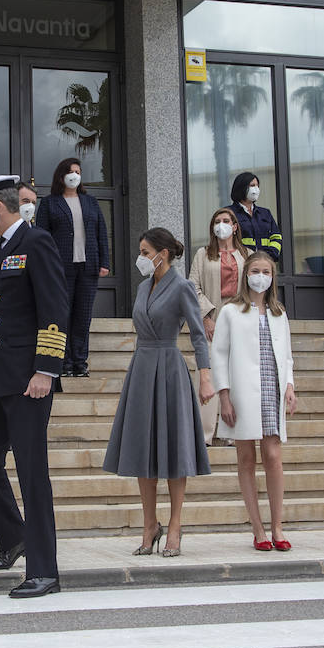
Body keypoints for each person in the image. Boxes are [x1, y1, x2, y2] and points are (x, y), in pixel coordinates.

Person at [0, 174, 67, 599]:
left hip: (28, 379)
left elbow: (54, 307)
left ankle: (45, 571)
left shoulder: (36, 242)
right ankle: (14, 538)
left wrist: (46, 369)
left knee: (31, 471)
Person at [103, 228, 211, 558]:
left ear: (162, 254)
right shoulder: (141, 286)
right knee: (142, 452)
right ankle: (150, 525)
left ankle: (175, 526)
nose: (141, 257)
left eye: (146, 251)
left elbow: (197, 334)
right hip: (141, 367)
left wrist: (205, 377)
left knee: (174, 451)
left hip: (169, 368)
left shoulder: (182, 287)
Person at [209, 252, 298, 552]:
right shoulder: (231, 311)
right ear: (246, 274)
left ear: (273, 277)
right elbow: (219, 354)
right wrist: (224, 396)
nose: (261, 276)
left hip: (272, 389)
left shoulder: (278, 313)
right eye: (255, 270)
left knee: (273, 455)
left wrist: (290, 386)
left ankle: (277, 526)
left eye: (266, 271)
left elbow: (286, 355)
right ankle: (258, 528)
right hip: (242, 392)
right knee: (246, 457)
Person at [36, 158, 109, 377]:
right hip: (60, 268)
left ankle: (80, 361)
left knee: (83, 315)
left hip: (88, 266)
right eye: (70, 171)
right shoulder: (50, 203)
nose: (75, 175)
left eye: (78, 171)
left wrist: (105, 262)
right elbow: (42, 236)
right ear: (61, 176)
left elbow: (101, 234)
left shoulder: (90, 202)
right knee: (63, 313)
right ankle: (64, 361)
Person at [189, 207, 248, 443]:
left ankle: (233, 431)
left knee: (237, 374)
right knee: (208, 373)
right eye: (216, 221)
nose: (221, 225)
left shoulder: (247, 254)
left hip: (240, 320)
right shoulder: (203, 254)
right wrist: (206, 317)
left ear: (235, 226)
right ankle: (205, 433)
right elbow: (192, 286)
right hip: (212, 320)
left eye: (226, 221)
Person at [226, 172, 281, 262]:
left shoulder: (265, 213)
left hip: (265, 264)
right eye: (252, 185)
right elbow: (226, 241)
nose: (256, 189)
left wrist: (269, 256)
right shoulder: (229, 213)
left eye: (257, 185)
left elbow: (276, 237)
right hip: (240, 265)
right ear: (241, 188)